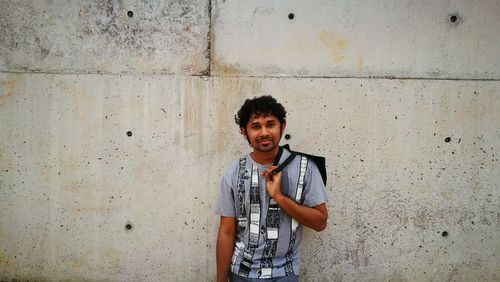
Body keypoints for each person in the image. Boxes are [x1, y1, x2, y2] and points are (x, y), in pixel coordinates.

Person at [216, 95, 328, 282]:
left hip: (285, 273)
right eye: (256, 126)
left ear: (282, 127)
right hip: (241, 273)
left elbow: (320, 223)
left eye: (270, 124)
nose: (264, 132)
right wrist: (220, 280)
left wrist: (279, 197)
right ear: (244, 132)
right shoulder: (233, 173)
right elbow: (226, 231)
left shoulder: (305, 167)